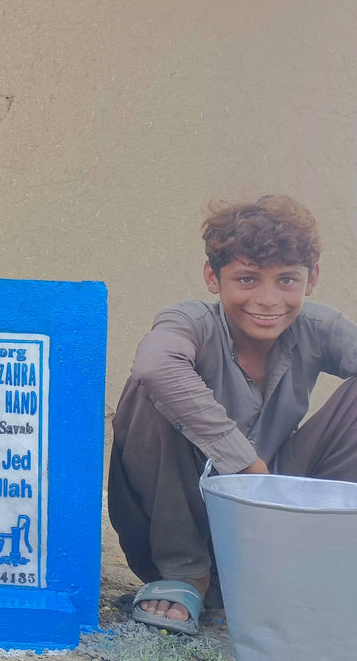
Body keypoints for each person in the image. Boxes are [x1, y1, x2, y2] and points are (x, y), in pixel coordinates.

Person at [108, 196, 357, 634]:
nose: (267, 299)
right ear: (213, 277)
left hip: (276, 523)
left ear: (311, 279)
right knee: (150, 387)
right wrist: (245, 465)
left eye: (286, 280)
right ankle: (187, 576)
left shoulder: (320, 327)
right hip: (181, 523)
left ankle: (317, 563)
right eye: (246, 279)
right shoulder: (191, 322)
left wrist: (263, 485)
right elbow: (156, 365)